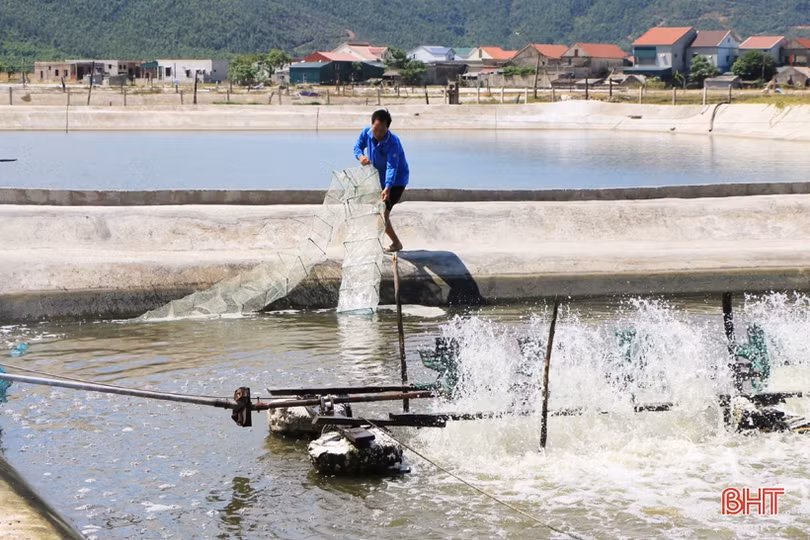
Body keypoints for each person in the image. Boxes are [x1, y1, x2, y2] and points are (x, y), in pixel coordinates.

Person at [353, 109, 409, 253]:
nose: (378, 134)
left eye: (382, 131)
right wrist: (361, 157)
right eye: (375, 129)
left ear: (387, 128)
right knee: (379, 213)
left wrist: (388, 187)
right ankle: (392, 243)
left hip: (396, 181)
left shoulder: (393, 142)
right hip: (379, 179)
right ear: (372, 125)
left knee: (382, 214)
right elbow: (357, 147)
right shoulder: (366, 132)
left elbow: (392, 166)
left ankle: (392, 243)